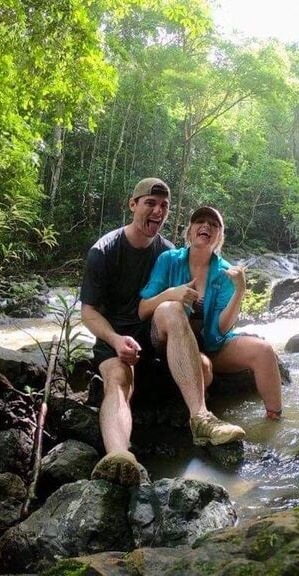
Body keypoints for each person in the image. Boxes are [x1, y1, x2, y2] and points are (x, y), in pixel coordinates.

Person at [80, 179, 245, 487]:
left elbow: (189, 312)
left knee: (192, 347)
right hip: (115, 341)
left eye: (164, 206)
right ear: (133, 205)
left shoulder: (168, 253)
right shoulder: (104, 251)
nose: (158, 211)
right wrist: (115, 340)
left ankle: (201, 418)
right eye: (150, 203)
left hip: (155, 339)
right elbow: (88, 312)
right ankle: (119, 456)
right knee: (117, 379)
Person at [138, 206, 283, 423]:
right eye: (199, 221)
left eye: (213, 225)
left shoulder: (224, 272)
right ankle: (199, 419)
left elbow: (220, 331)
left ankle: (275, 422)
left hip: (207, 344)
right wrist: (170, 294)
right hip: (168, 341)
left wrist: (240, 291)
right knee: (173, 310)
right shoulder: (168, 259)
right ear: (190, 230)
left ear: (218, 237)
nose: (205, 226)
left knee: (263, 350)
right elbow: (143, 310)